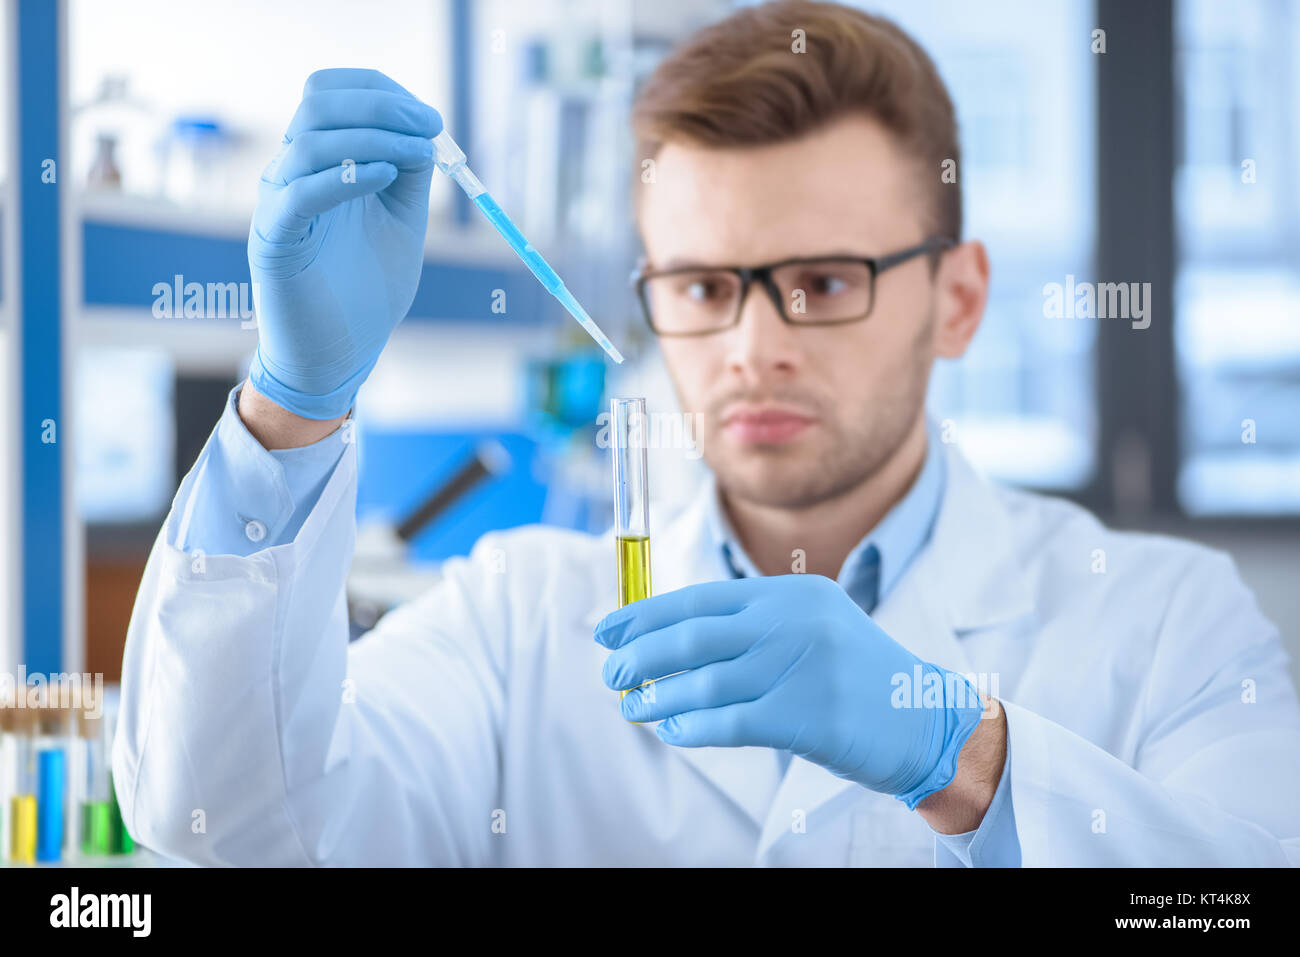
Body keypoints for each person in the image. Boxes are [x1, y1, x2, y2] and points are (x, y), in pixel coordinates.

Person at [114, 1, 1300, 866]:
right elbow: (230, 824)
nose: (748, 347)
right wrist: (295, 402)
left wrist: (966, 757)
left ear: (959, 299)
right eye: (697, 285)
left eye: (824, 282)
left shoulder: (1165, 623)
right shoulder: (516, 621)